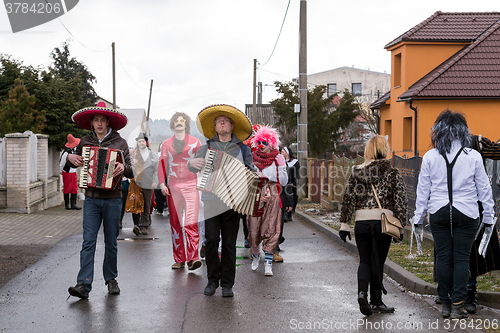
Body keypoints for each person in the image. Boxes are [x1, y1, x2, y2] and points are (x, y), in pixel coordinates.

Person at [413, 110, 495, 319]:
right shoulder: (473, 156)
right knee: (462, 258)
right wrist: (488, 216)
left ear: (438, 131)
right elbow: (484, 189)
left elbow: (423, 190)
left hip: (439, 211)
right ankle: (459, 304)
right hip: (467, 212)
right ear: (463, 131)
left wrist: (417, 217)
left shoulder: (430, 156)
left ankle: (446, 304)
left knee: (442, 257)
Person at [66, 102, 133, 299]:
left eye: (103, 120)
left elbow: (131, 169)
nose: (100, 123)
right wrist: (70, 158)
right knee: (88, 241)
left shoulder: (120, 143)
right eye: (96, 120)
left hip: (113, 199)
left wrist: (124, 169)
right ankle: (83, 285)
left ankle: (111, 279)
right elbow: (69, 163)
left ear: (108, 122)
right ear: (92, 123)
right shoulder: (84, 142)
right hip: (92, 200)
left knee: (111, 242)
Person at [188, 104, 256, 297]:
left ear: (232, 126)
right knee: (210, 241)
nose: (222, 123)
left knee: (229, 244)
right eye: (219, 121)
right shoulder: (206, 147)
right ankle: (212, 280)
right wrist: (191, 163)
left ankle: (227, 284)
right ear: (215, 127)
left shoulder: (243, 149)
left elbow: (252, 170)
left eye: (226, 121)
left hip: (233, 202)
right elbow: (192, 166)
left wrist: (248, 174)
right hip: (211, 200)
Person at [339, 135, 408, 316]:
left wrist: (344, 224)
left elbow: (348, 199)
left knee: (365, 260)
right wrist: (401, 226)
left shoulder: (356, 172)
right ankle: (376, 301)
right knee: (378, 262)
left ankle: (362, 293)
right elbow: (400, 200)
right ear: (384, 150)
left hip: (361, 223)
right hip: (382, 223)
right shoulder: (392, 173)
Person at [159, 112, 202, 270]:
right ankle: (179, 258)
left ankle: (193, 257)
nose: (179, 123)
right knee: (175, 223)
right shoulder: (166, 144)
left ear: (186, 124)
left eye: (182, 121)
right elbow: (161, 165)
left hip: (191, 185)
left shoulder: (196, 142)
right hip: (173, 186)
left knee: (191, 222)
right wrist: (162, 184)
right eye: (176, 121)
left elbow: (202, 164)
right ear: (172, 124)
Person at [247, 126, 288, 276]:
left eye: (264, 142)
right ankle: (256, 255)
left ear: (271, 142)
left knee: (271, 229)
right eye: (258, 142)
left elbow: (283, 183)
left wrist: (282, 166)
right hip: (255, 194)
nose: (261, 146)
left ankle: (268, 263)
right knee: (253, 229)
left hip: (273, 194)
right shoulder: (251, 157)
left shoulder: (277, 158)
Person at [466, 135, 500, 314]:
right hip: (449, 206)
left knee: (471, 251)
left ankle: (468, 291)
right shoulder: (441, 143)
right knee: (449, 250)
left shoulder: (476, 142)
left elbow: (497, 151)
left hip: (474, 205)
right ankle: (448, 290)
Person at [130, 133, 158, 235]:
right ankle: (136, 224)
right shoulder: (133, 154)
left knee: (147, 204)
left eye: (143, 141)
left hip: (148, 182)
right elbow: (128, 167)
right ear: (137, 142)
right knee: (135, 204)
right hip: (136, 183)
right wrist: (133, 163)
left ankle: (144, 225)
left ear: (146, 142)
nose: (141, 143)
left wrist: (155, 181)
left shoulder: (153, 155)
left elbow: (157, 170)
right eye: (139, 141)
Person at [59, 134, 81, 210]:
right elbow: (61, 163)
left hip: (73, 171)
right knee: (67, 188)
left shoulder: (74, 151)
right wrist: (62, 172)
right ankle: (67, 204)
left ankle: (73, 204)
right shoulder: (66, 153)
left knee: (74, 187)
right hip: (67, 172)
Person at [281, 146, 300, 221]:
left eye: (283, 152)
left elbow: (298, 172)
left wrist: (295, 181)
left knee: (293, 198)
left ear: (287, 153)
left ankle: (290, 214)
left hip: (293, 183)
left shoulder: (295, 162)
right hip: (286, 182)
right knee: (285, 198)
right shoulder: (282, 162)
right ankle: (285, 214)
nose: (282, 153)